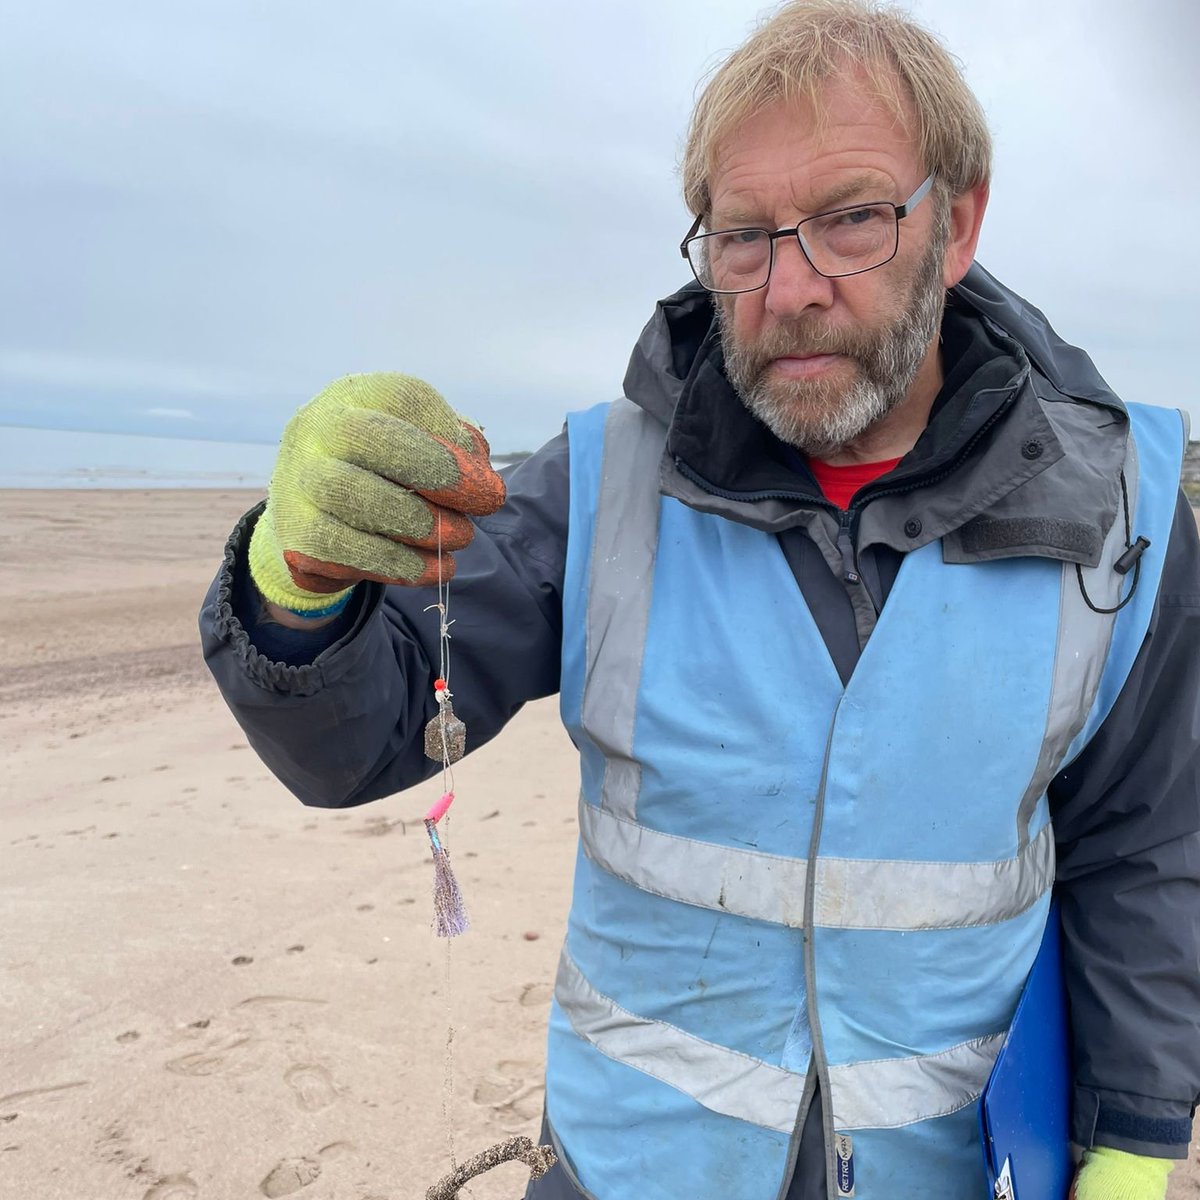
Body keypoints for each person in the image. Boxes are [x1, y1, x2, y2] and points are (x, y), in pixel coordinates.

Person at [200, 3, 1200, 1197]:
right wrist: (299, 587)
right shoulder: (602, 481)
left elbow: (1147, 844)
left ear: (959, 221)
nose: (788, 288)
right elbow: (366, 734)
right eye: (743, 235)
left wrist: (1137, 1137)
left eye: (851, 221)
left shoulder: (1119, 511)